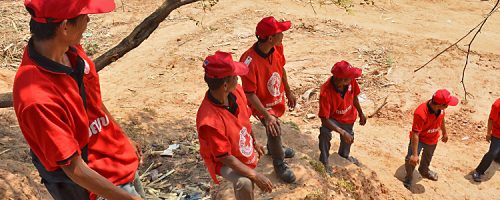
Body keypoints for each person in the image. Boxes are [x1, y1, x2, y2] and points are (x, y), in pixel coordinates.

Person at [13, 0, 142, 199]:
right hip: (98, 187)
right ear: (64, 26)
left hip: (117, 163)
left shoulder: (69, 50)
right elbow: (75, 169)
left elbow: (92, 99)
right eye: (84, 16)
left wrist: (121, 137)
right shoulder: (37, 99)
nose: (88, 20)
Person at [196, 51, 273, 200]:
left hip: (237, 148)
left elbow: (245, 120)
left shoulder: (236, 91)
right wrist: (256, 176)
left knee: (249, 176)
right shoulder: (209, 120)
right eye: (235, 77)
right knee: (244, 182)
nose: (238, 79)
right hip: (221, 159)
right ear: (225, 85)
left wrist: (254, 142)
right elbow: (225, 157)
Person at [239, 16, 296, 183]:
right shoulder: (248, 61)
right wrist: (266, 115)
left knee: (274, 126)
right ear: (270, 38)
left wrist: (288, 91)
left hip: (275, 98)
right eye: (280, 32)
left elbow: (282, 69)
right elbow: (249, 94)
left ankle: (274, 149)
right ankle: (279, 164)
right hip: (260, 103)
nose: (283, 35)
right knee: (274, 128)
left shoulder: (277, 48)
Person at [403, 89, 458, 189]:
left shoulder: (441, 110)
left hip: (432, 139)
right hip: (419, 139)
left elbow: (441, 119)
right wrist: (415, 155)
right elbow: (415, 134)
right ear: (440, 105)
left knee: (428, 157)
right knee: (410, 159)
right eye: (447, 105)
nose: (447, 107)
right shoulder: (420, 113)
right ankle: (409, 178)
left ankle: (424, 170)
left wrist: (444, 132)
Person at [318, 60, 366, 168]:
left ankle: (344, 155)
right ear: (341, 80)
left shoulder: (351, 81)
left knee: (349, 138)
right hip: (332, 118)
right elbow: (324, 119)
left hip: (348, 116)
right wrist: (342, 132)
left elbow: (354, 97)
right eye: (349, 78)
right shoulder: (325, 92)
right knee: (324, 133)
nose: (352, 79)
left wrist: (361, 113)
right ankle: (324, 161)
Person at [472, 98, 500, 182]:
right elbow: (491, 119)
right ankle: (478, 171)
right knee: (492, 152)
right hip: (497, 132)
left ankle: (498, 160)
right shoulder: (497, 105)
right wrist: (488, 133)